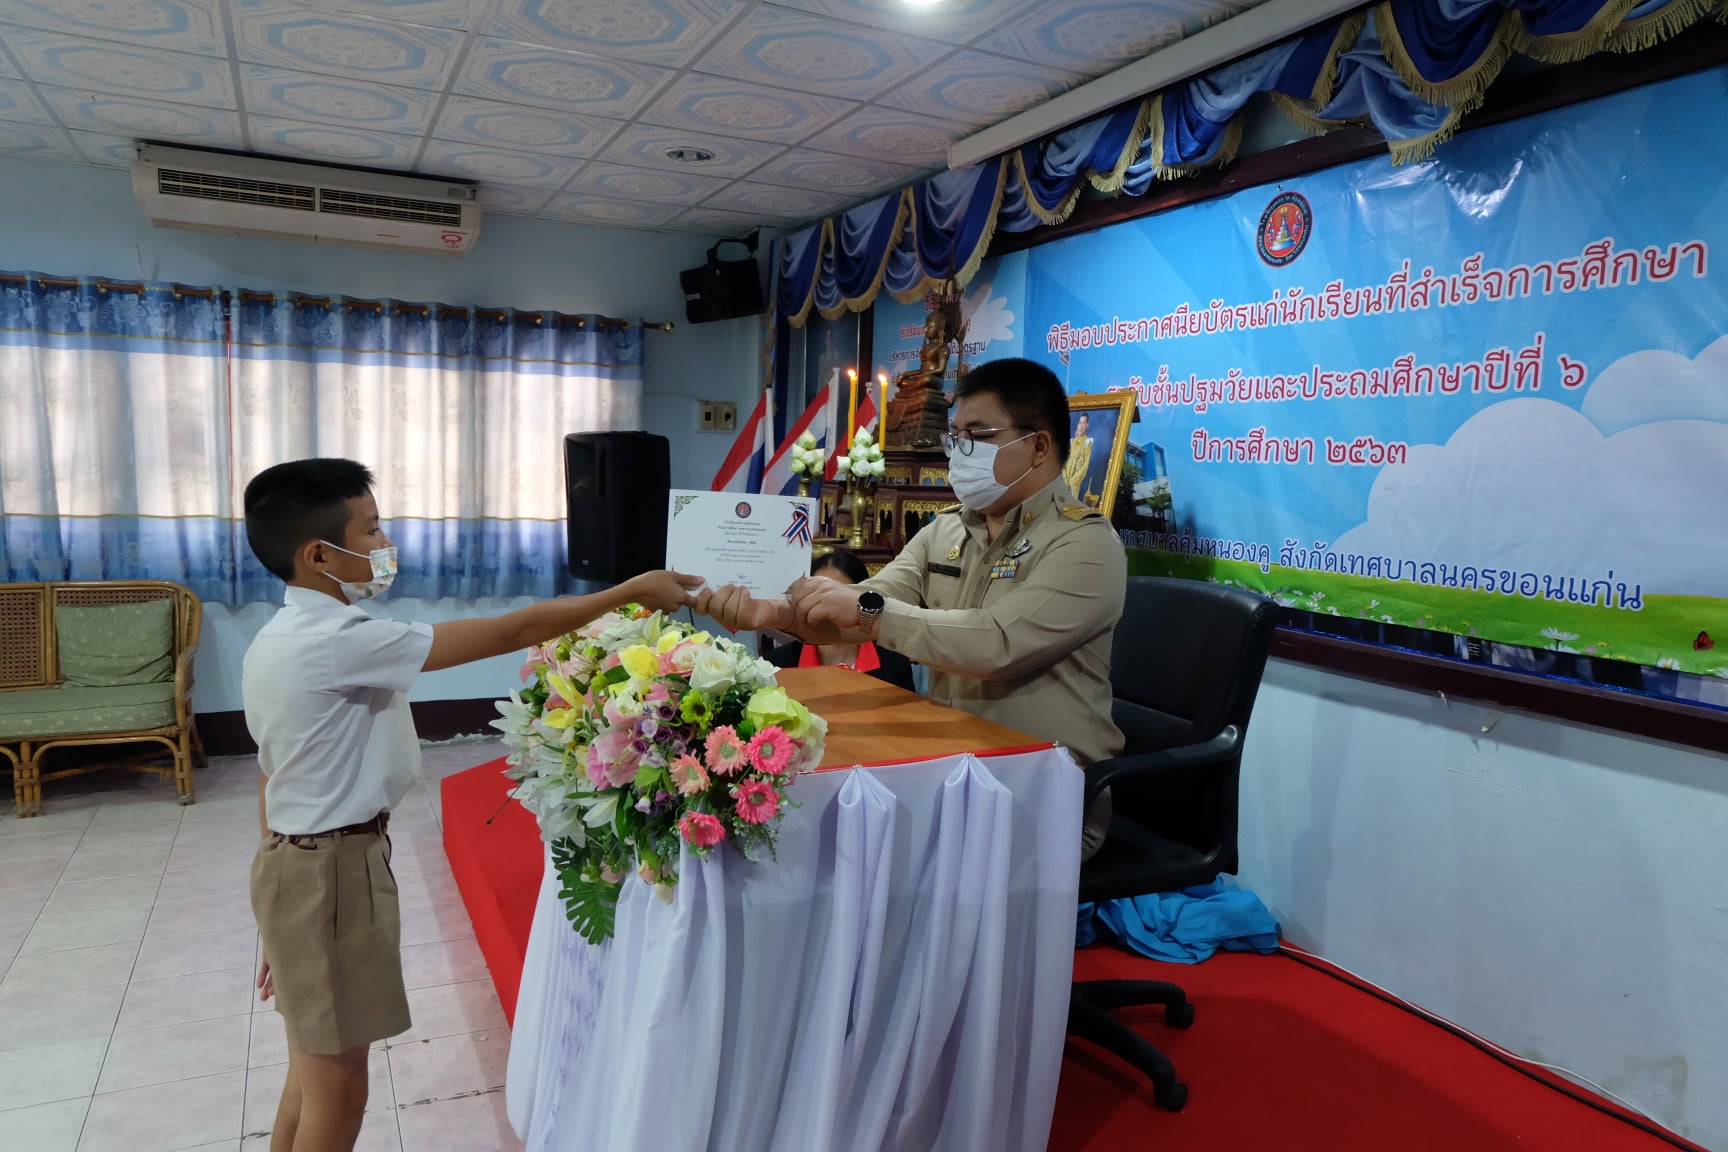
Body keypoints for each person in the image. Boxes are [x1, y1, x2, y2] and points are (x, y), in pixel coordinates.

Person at [240, 458, 699, 1152]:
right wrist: (629, 590)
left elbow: (271, 776)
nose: (385, 543)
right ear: (318, 555)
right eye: (371, 530)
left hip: (296, 867)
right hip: (329, 875)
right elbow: (513, 631)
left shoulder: (280, 637)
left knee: (309, 1078)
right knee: (339, 1093)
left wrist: (277, 915)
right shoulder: (336, 642)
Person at [699, 357, 1126, 860]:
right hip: (953, 769)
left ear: (1038, 446)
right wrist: (773, 613)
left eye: (978, 436)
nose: (960, 452)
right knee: (808, 833)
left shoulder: (1085, 544)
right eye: (955, 437)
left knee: (850, 853)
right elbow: (870, 600)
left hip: (1044, 793)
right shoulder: (947, 530)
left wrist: (868, 612)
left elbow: (996, 643)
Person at [765, 550, 917, 692]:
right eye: (817, 597)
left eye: (836, 598)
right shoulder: (776, 665)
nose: (826, 608)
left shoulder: (895, 665)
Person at [1064, 411, 1094, 504]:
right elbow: (1064, 460)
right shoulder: (1072, 442)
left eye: (1083, 423)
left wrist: (1072, 482)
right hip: (1063, 482)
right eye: (1080, 423)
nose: (1081, 426)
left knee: (1069, 507)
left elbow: (1085, 467)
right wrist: (1065, 478)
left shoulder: (1088, 443)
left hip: (1074, 485)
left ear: (1087, 425)